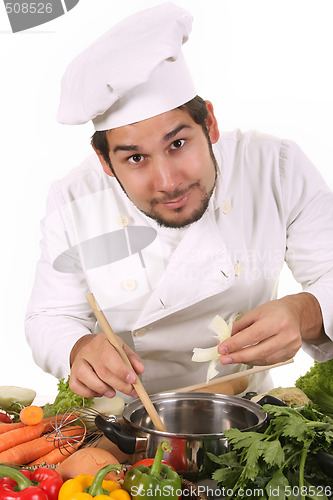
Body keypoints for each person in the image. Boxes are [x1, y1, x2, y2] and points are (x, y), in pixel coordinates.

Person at [25, 2, 333, 400]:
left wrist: (304, 311)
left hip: (248, 409)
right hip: (125, 421)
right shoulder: (74, 197)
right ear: (104, 160)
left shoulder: (275, 166)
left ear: (210, 123)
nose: (168, 182)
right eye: (136, 158)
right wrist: (79, 349)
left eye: (178, 143)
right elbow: (50, 316)